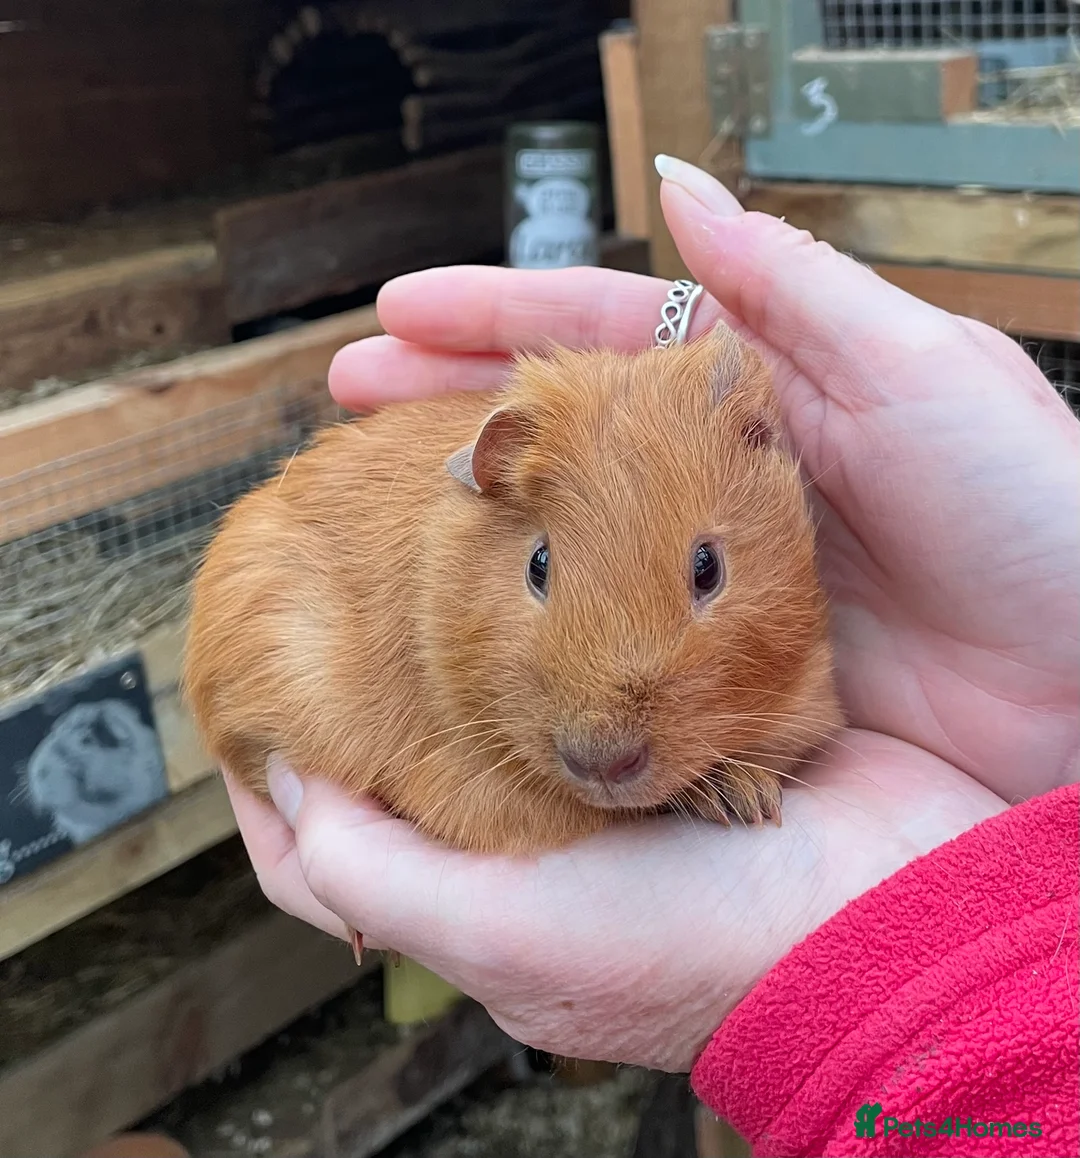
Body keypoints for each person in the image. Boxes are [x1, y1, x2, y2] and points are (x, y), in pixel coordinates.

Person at [223, 156, 1079, 1156]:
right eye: (542, 569)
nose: (605, 733)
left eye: (705, 574)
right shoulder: (438, 570)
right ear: (496, 488)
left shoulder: (769, 500)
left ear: (771, 465)